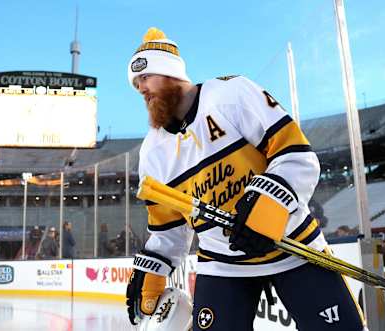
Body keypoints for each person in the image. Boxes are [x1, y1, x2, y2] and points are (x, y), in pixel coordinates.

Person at [126, 27, 367, 330]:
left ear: (170, 71)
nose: (141, 89)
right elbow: (170, 230)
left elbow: (297, 155)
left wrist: (268, 207)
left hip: (293, 245)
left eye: (145, 77)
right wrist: (154, 265)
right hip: (222, 263)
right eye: (136, 84)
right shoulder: (152, 154)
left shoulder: (231, 93)